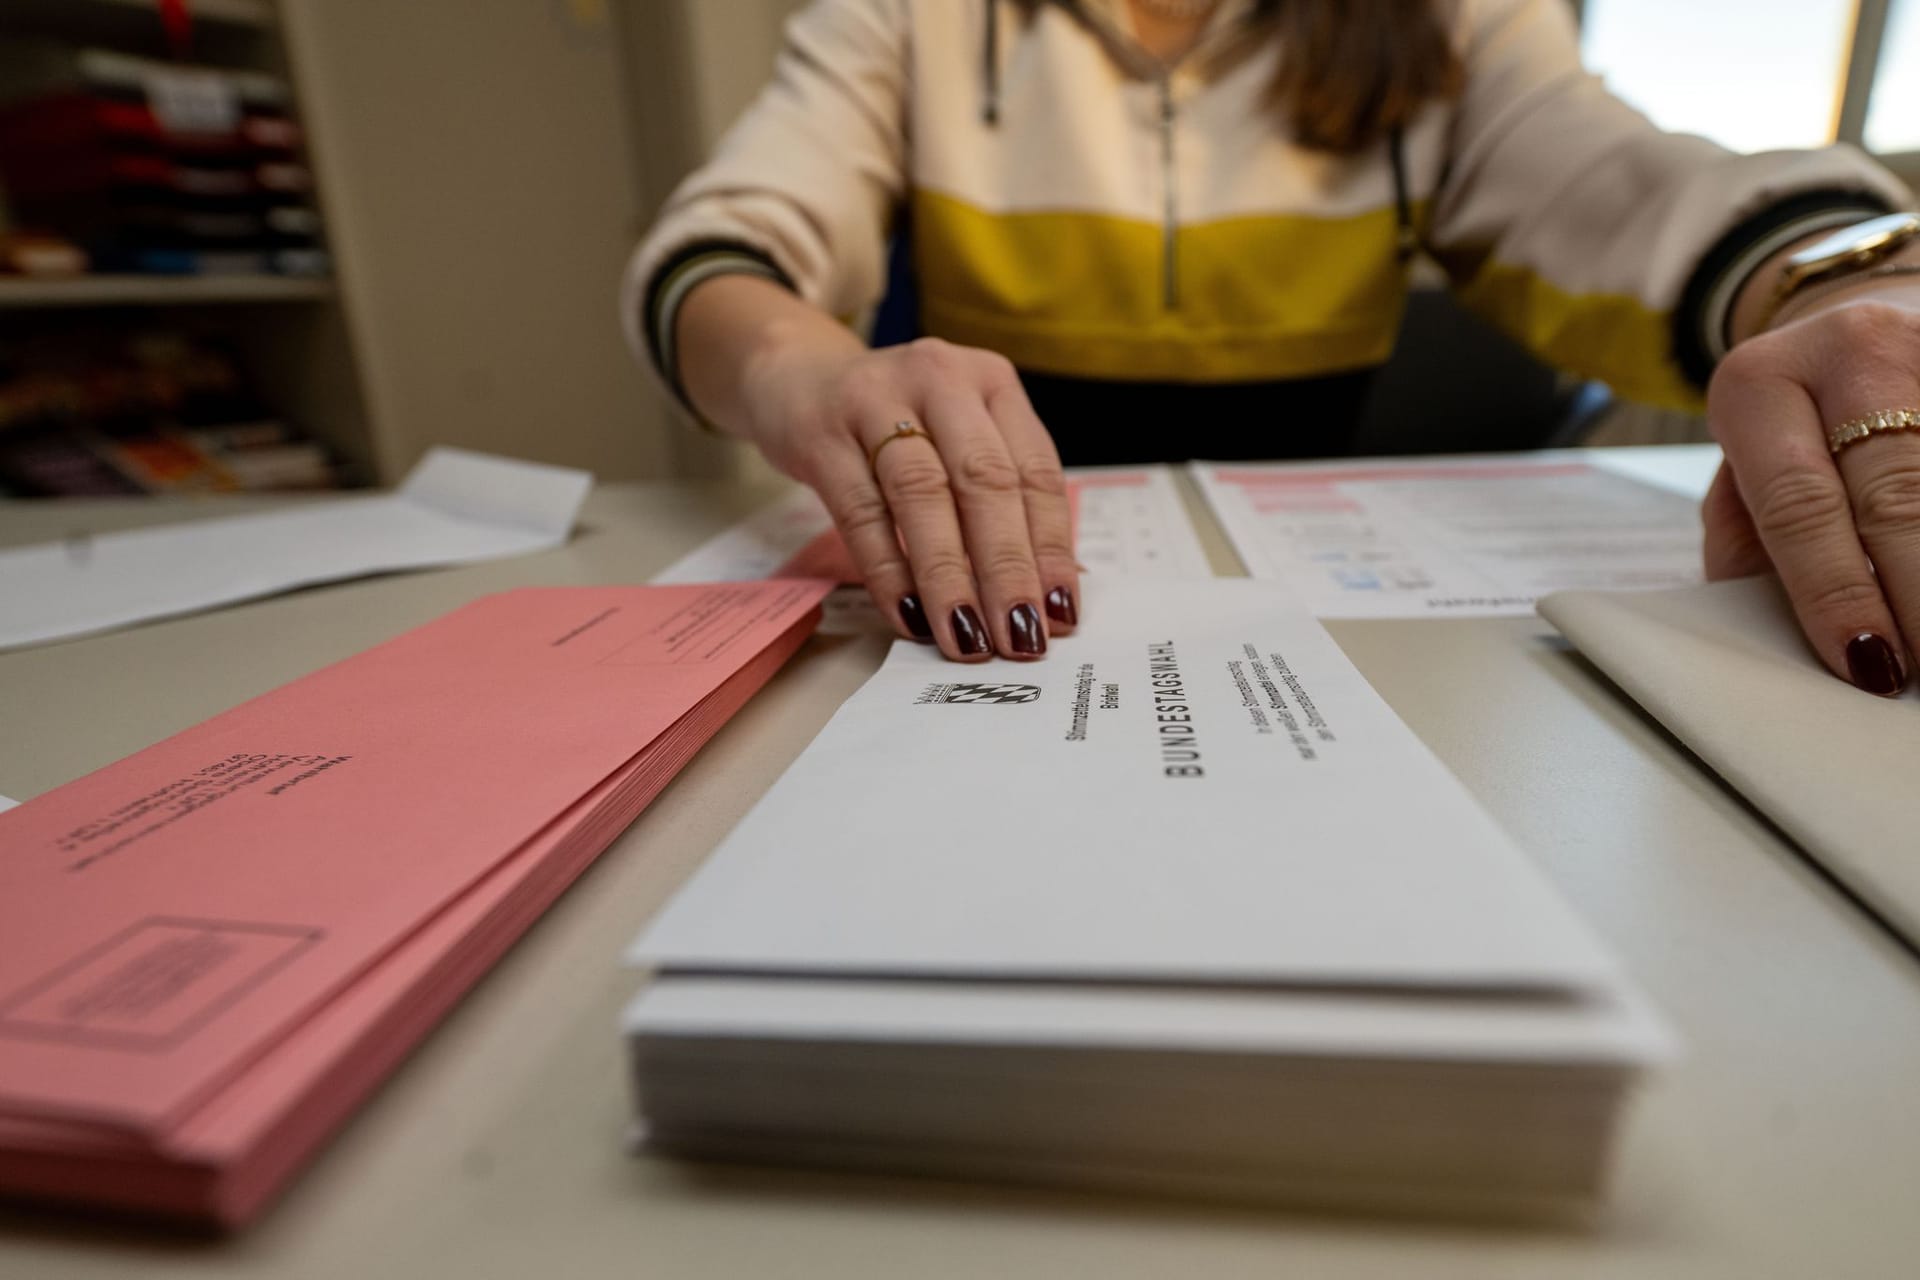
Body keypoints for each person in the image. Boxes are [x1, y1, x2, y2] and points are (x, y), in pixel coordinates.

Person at [625, 0, 1920, 696]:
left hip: (1348, 648)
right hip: (999, 614)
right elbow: (728, 244)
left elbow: (1618, 183)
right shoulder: (908, 15)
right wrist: (802, 367)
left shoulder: (1451, 23)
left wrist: (1865, 283)